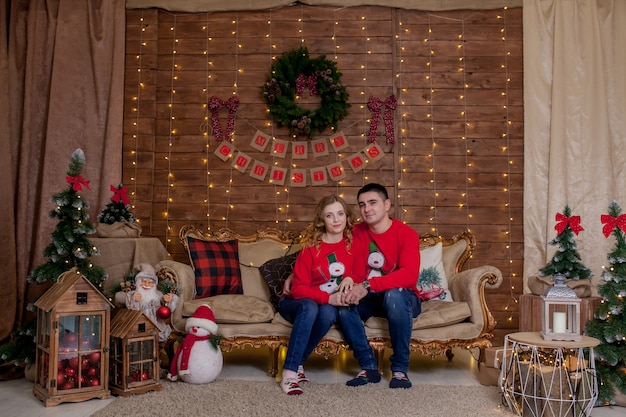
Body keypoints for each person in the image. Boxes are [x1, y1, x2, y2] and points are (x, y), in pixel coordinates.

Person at [277, 194, 364, 395]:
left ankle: (298, 364)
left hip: (323, 306)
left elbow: (359, 273)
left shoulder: (354, 245)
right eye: (330, 215)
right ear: (321, 221)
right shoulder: (310, 248)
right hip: (295, 304)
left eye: (340, 214)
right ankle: (290, 373)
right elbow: (298, 289)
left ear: (347, 216)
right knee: (310, 307)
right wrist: (329, 298)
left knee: (328, 313)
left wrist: (351, 278)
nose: (336, 220)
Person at [339, 183, 421, 389]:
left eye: (372, 202)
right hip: (371, 298)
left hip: (404, 298)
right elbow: (330, 253)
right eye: (362, 204)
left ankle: (400, 369)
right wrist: (350, 281)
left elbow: (409, 276)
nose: (367, 209)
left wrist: (368, 284)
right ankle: (369, 367)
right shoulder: (356, 232)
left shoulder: (407, 234)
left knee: (394, 295)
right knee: (342, 302)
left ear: (387, 205)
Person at [126, 263, 179, 342]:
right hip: (139, 325)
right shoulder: (133, 294)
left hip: (156, 325)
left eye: (150, 283)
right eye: (144, 282)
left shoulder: (157, 295)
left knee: (158, 335)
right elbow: (131, 308)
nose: (147, 285)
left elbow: (167, 309)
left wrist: (169, 299)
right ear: (138, 282)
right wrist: (134, 300)